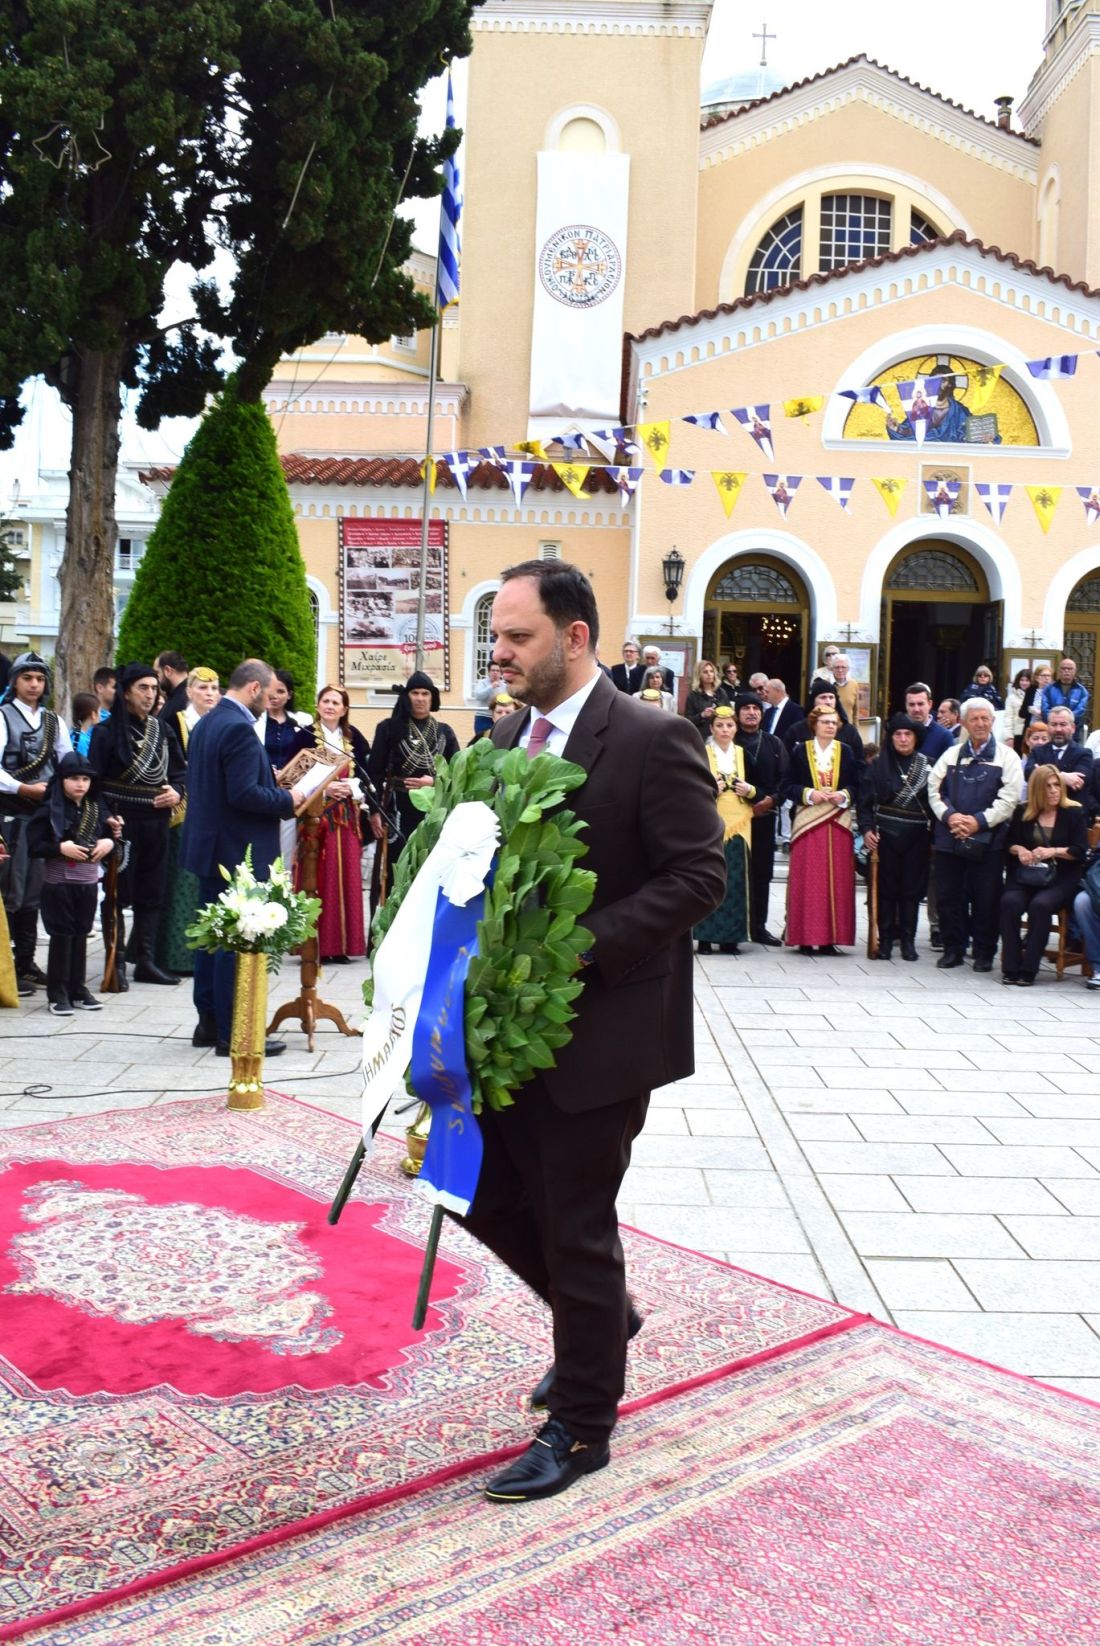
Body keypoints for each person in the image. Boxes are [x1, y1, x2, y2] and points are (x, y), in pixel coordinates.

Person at [462, 559, 724, 1504]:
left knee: (575, 1222)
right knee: (481, 1193)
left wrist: (574, 948)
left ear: (575, 638)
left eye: (517, 637)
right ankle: (606, 1320)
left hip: (603, 1026)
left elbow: (700, 877)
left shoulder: (656, 736)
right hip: (501, 1028)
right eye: (495, 636)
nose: (500, 653)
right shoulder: (501, 736)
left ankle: (581, 1427)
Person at [180, 659, 304, 1053]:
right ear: (254, 688)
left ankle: (209, 1024)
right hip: (237, 851)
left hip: (212, 846)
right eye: (268, 696)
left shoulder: (207, 723)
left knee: (212, 940)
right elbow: (243, 794)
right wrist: (289, 798)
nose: (269, 703)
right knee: (234, 943)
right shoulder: (238, 728)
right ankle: (235, 1032)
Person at [88, 663, 187, 989]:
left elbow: (179, 773)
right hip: (121, 824)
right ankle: (114, 961)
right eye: (142, 688)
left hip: (157, 823)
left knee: (152, 894)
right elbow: (94, 784)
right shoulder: (105, 733)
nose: (150, 695)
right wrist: (106, 818)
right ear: (126, 692)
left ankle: (144, 961)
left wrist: (177, 791)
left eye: (153, 688)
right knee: (117, 895)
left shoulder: (162, 730)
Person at [928, 698, 1024, 972]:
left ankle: (984, 952)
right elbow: (934, 789)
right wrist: (951, 816)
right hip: (950, 838)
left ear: (993, 722)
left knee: (986, 899)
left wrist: (978, 822)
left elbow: (1009, 800)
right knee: (949, 897)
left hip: (988, 842)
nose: (980, 724)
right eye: (974, 719)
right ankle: (952, 949)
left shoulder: (1008, 757)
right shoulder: (952, 754)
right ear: (964, 723)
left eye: (985, 719)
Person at [26, 753, 121, 1015]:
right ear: (61, 780)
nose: (80, 784)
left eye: (85, 779)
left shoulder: (98, 809)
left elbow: (115, 842)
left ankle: (78, 989)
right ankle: (57, 993)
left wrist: (110, 842)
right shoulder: (49, 809)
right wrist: (60, 847)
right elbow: (34, 846)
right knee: (62, 936)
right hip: (58, 884)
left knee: (81, 934)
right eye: (73, 778)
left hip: (88, 883)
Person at [0, 651, 73, 988]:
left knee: (33, 892)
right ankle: (7, 967)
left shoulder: (53, 721)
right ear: (15, 681)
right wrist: (24, 788)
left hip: (42, 820)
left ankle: (26, 963)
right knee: (9, 890)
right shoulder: (2, 717)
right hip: (9, 817)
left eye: (39, 678)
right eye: (27, 677)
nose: (34, 684)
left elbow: (68, 764)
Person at [367, 672, 459, 916]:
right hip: (397, 809)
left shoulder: (444, 732)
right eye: (415, 693)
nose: (420, 698)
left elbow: (457, 773)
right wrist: (375, 810)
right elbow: (374, 772)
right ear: (407, 697)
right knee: (397, 868)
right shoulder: (388, 728)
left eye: (425, 693)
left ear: (432, 698)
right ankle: (391, 923)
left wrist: (435, 781)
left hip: (433, 809)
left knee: (430, 866)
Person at [295, 685, 371, 963]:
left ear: (344, 709)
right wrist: (326, 790)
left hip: (347, 817)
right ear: (317, 706)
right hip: (317, 816)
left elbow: (366, 773)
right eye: (325, 701)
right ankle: (315, 944)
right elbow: (295, 776)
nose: (329, 706)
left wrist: (352, 787)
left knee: (348, 873)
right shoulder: (303, 737)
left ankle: (342, 945)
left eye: (335, 702)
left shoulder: (354, 739)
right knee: (319, 875)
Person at [156, 666, 220, 975]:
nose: (209, 694)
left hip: (212, 808)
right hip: (182, 808)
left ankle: (202, 951)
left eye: (214, 689)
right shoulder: (175, 721)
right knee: (181, 879)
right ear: (189, 691)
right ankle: (175, 954)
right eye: (203, 688)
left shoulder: (220, 723)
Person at [1000, 765, 1087, 986]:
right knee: (1009, 902)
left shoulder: (1073, 812)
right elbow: (1008, 844)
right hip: (1027, 875)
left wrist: (1053, 851)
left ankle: (1029, 969)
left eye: (1057, 784)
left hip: (1060, 878)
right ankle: (1010, 967)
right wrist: (1021, 850)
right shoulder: (1023, 811)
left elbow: (1079, 851)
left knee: (1040, 905)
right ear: (1037, 789)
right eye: (1048, 786)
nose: (1054, 790)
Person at [782, 706, 859, 955]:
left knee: (837, 881)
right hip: (808, 822)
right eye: (825, 722)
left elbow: (857, 785)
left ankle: (830, 938)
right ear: (814, 724)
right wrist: (809, 794)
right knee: (808, 880)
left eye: (834, 723)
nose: (830, 726)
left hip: (838, 821)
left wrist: (844, 794)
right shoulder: (799, 750)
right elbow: (786, 785)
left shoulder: (846, 752)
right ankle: (805, 937)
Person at [858, 714, 932, 961]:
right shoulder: (878, 765)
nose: (902, 739)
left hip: (917, 838)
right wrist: (867, 829)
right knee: (886, 891)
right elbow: (865, 803)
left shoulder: (928, 766)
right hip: (884, 839)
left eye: (907, 734)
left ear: (915, 738)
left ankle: (908, 942)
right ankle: (886, 940)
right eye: (898, 734)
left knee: (911, 892)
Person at [693, 706, 751, 956]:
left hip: (739, 822)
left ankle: (731, 938)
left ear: (736, 728)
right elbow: (689, 787)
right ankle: (704, 937)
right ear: (712, 728)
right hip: (709, 821)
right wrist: (708, 789)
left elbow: (761, 786)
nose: (725, 730)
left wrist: (750, 790)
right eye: (720, 726)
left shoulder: (743, 754)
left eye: (729, 725)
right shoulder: (701, 753)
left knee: (735, 880)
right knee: (708, 878)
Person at [733, 691, 786, 946]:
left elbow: (784, 779)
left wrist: (772, 800)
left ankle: (759, 926)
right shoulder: (729, 741)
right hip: (735, 818)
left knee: (762, 874)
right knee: (734, 872)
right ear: (738, 712)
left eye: (756, 708)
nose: (751, 712)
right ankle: (733, 926)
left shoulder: (774, 743)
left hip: (765, 816)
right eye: (746, 708)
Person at [785, 683, 865, 767]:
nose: (828, 702)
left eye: (831, 697)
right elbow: (787, 763)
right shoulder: (796, 730)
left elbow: (860, 763)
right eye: (823, 697)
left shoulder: (849, 731)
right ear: (813, 701)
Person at [1026, 706, 1092, 804]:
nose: (1058, 729)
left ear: (1073, 728)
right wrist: (1062, 777)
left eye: (1063, 724)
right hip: (1042, 809)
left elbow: (1078, 783)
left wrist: (1041, 774)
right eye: (1054, 724)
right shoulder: (1037, 752)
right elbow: (1028, 774)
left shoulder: (1084, 753)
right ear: (1048, 727)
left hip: (1072, 813)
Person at [904, 682, 953, 763]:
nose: (916, 709)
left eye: (920, 704)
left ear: (930, 704)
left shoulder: (944, 736)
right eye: (912, 704)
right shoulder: (898, 734)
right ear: (906, 706)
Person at [1042, 657, 1089, 738]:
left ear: (1074, 671)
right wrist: (1057, 722)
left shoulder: (1082, 691)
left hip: (1074, 733)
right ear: (1059, 671)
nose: (1066, 671)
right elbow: (1045, 710)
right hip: (1052, 732)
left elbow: (1080, 711)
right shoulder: (1048, 689)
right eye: (1063, 668)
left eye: (1069, 669)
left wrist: (1064, 722)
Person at [684, 659, 723, 739]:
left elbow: (729, 712)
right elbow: (688, 720)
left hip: (720, 734)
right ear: (699, 675)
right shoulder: (693, 695)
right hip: (701, 736)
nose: (709, 674)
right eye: (705, 672)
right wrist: (702, 715)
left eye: (711, 671)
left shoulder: (721, 692)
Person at [761, 677, 802, 742]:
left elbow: (797, 735)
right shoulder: (768, 711)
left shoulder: (796, 710)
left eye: (767, 692)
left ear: (778, 691)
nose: (765, 695)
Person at [472, 660, 506, 736]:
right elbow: (478, 696)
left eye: (497, 671)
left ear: (501, 673)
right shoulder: (482, 683)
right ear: (488, 672)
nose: (495, 673)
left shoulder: (504, 686)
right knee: (482, 741)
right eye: (493, 670)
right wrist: (491, 687)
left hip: (499, 718)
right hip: (483, 717)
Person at [155, 652, 190, 724]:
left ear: (168, 671)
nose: (156, 679)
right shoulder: (194, 695)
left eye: (157, 673)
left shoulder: (174, 707)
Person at [1003, 668, 1032, 749]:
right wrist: (1009, 737)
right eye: (1022, 680)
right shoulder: (1011, 698)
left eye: (1027, 680)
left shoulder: (1036, 696)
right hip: (1018, 734)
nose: (1024, 683)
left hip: (1033, 733)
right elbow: (1008, 718)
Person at [1023, 663, 1053, 731]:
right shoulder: (1030, 691)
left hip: (1048, 728)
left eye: (1049, 676)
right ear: (1037, 677)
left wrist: (1043, 713)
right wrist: (1031, 710)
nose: (1047, 678)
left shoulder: (1053, 691)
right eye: (1044, 675)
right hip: (1032, 727)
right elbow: (1022, 713)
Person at [70, 692, 100, 758]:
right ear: (93, 714)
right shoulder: (82, 741)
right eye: (99, 711)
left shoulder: (71, 733)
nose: (100, 716)